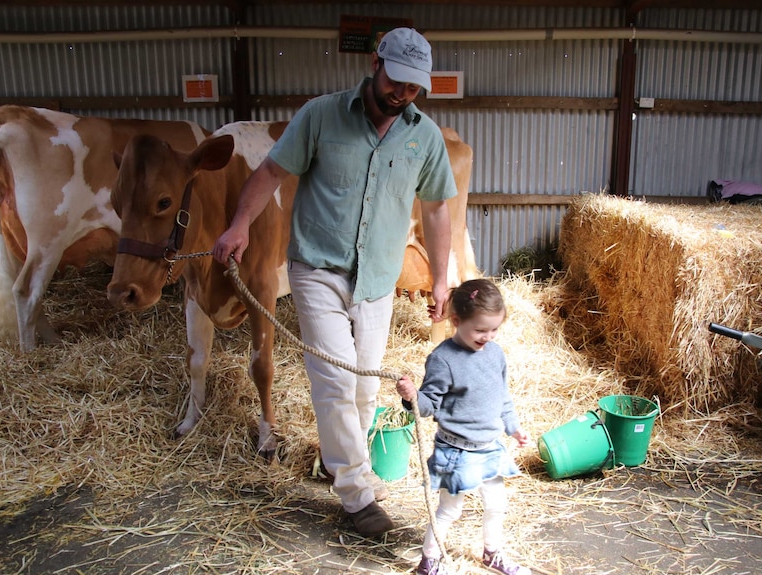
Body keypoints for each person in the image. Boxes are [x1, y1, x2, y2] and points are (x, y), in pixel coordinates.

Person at [212, 27, 458, 537]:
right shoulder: (321, 115)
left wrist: (441, 277)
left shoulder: (424, 137)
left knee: (365, 385)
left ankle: (336, 460)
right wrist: (238, 225)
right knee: (335, 380)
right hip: (317, 271)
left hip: (377, 280)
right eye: (396, 81)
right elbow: (269, 173)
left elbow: (436, 210)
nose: (403, 94)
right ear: (375, 63)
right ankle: (356, 494)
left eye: (414, 87)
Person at [396, 278, 532, 575]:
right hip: (457, 450)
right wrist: (412, 397)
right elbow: (430, 405)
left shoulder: (495, 353)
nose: (488, 336)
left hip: (490, 447)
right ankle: (429, 562)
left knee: (497, 504)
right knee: (450, 510)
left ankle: (492, 553)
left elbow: (502, 396)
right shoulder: (443, 359)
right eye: (481, 330)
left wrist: (513, 427)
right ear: (456, 321)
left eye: (494, 329)